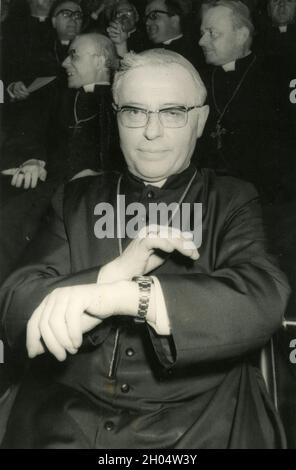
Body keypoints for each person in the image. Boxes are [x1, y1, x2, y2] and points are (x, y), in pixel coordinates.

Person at [0, 49, 290, 449]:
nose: (151, 132)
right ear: (115, 117)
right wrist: (111, 272)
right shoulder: (75, 199)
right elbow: (16, 304)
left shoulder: (231, 198)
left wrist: (125, 296)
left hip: (199, 425)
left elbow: (263, 295)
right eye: (135, 112)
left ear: (200, 121)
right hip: (67, 421)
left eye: (172, 113)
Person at [0, 33, 120, 282]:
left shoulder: (122, 101)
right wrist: (33, 159)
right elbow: (27, 134)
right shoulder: (56, 97)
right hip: (49, 193)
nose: (65, 63)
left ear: (100, 60)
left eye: (74, 55)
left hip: (103, 200)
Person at [197, 0, 281, 202]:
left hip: (266, 197)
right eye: (202, 33)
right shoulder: (200, 78)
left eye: (212, 33)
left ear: (241, 36)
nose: (201, 41)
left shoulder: (274, 77)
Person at [144, 0, 204, 68]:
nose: (147, 23)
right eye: (146, 18)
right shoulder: (147, 51)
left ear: (174, 21)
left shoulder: (195, 54)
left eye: (153, 16)